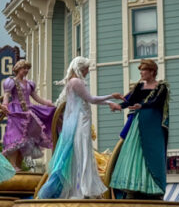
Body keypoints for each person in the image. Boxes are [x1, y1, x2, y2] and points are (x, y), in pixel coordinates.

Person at [37, 56, 123, 199]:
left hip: (80, 120)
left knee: (80, 153)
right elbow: (91, 99)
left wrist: (109, 102)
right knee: (81, 152)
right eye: (86, 69)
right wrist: (111, 97)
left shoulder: (72, 82)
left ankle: (80, 188)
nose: (88, 71)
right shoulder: (76, 81)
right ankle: (81, 189)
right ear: (80, 68)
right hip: (80, 121)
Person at [108, 58, 169, 199]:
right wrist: (118, 106)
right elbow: (128, 100)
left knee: (151, 154)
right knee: (133, 153)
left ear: (152, 72)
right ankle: (133, 187)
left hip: (152, 126)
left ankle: (152, 187)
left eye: (143, 70)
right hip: (138, 124)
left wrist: (142, 106)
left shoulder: (161, 87)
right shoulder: (139, 87)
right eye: (140, 70)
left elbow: (156, 101)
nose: (141, 73)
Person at [1, 60, 55, 170]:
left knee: (25, 140)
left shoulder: (29, 83)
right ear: (18, 69)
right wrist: (5, 105)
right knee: (15, 137)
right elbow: (6, 95)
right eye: (23, 68)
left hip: (28, 111)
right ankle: (12, 165)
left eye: (27, 69)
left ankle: (18, 165)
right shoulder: (11, 81)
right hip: (17, 112)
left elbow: (35, 97)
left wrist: (46, 103)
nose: (26, 71)